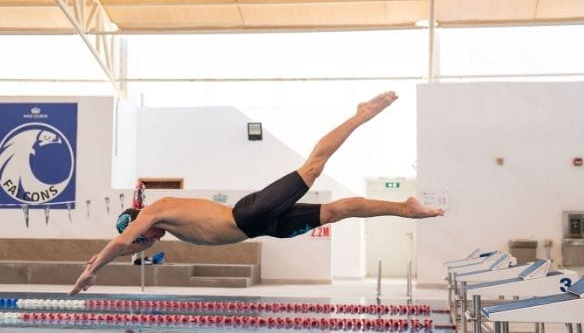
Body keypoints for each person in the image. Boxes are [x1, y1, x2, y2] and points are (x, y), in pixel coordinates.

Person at [69, 91, 444, 296]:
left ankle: (360, 114)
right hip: (264, 227)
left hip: (247, 215)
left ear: (139, 223)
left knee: (312, 167)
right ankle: (405, 209)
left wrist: (92, 270)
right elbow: (129, 247)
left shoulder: (159, 208)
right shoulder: (159, 226)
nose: (145, 243)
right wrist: (96, 263)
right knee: (336, 212)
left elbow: (123, 244)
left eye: (141, 236)